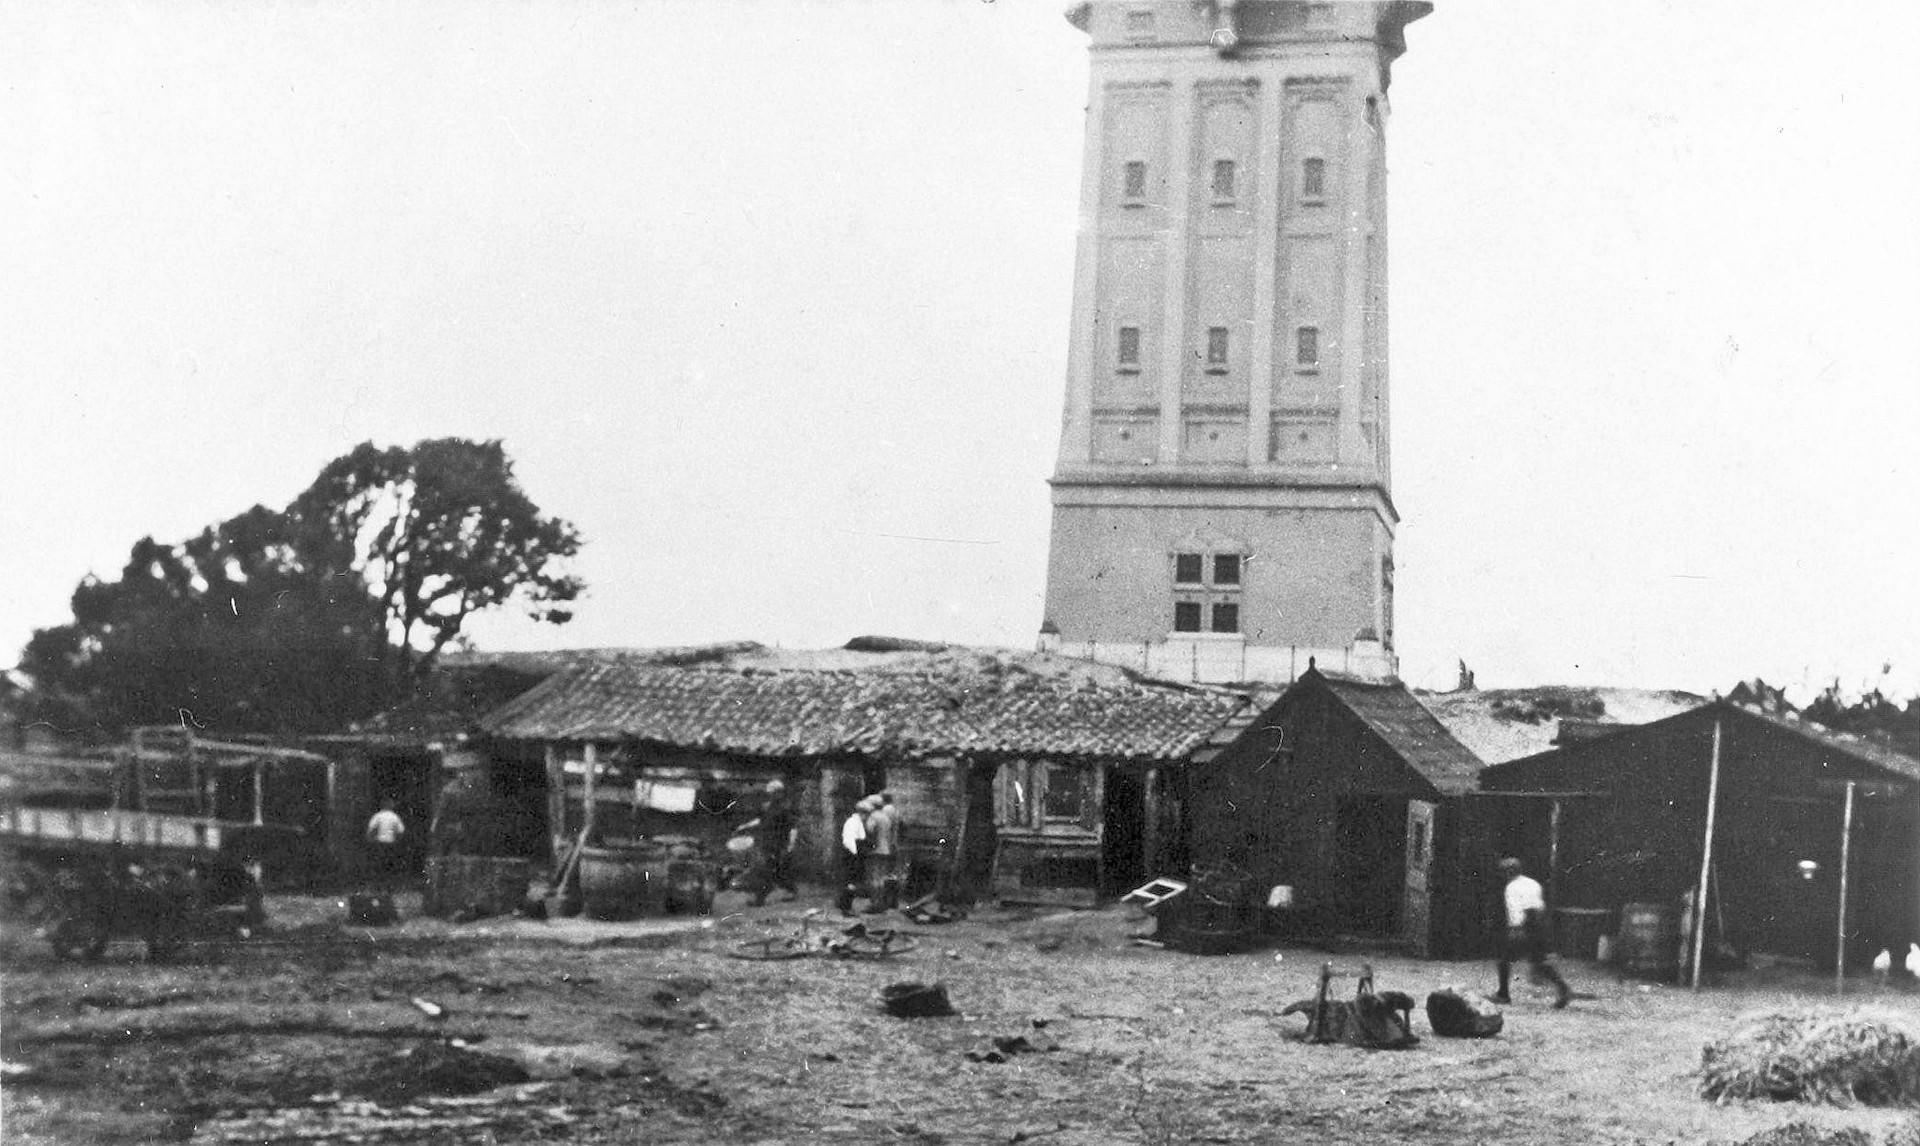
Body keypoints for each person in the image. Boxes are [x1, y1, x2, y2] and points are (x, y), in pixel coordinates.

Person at [1493, 856, 1571, 1008]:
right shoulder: (1533, 883)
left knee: (1504, 960)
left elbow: (1515, 911)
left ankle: (1503, 994)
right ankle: (1563, 988)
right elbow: (1540, 906)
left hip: (1525, 925)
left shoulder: (1511, 887)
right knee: (1539, 962)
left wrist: (1516, 929)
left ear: (1508, 872)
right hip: (1539, 925)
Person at [748, 778, 800, 906]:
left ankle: (760, 898)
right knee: (776, 871)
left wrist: (791, 844)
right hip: (767, 842)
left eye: (775, 792)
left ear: (780, 793)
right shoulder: (767, 807)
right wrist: (745, 826)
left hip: (778, 844)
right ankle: (791, 890)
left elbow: (793, 827)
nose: (772, 795)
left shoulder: (784, 809)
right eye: (771, 793)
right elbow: (761, 821)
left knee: (768, 870)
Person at [836, 795, 875, 916]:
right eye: (867, 814)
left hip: (856, 854)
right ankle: (845, 906)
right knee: (851, 881)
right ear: (862, 813)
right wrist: (855, 855)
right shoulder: (852, 823)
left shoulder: (859, 823)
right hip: (852, 855)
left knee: (854, 881)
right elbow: (849, 841)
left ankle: (845, 904)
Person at [864, 791, 903, 913]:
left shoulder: (874, 816)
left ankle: (874, 903)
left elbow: (870, 830)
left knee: (874, 877)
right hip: (886, 849)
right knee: (882, 877)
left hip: (875, 849)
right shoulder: (886, 816)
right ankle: (882, 903)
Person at [365, 799, 407, 888]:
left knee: (379, 864)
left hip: (379, 843)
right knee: (390, 865)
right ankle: (390, 885)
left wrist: (370, 840)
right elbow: (401, 831)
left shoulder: (377, 816)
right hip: (391, 843)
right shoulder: (395, 817)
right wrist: (397, 840)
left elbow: (371, 829)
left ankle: (379, 884)